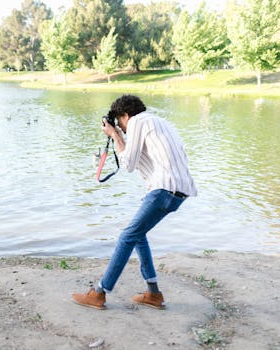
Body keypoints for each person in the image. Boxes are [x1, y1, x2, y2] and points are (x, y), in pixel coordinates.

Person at [72, 94, 197, 310]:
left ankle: (99, 293)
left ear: (125, 115)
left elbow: (128, 164)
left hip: (163, 189)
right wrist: (118, 137)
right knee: (138, 235)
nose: (122, 128)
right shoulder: (160, 123)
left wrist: (115, 135)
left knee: (127, 236)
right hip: (178, 192)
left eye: (120, 122)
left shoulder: (138, 121)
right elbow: (138, 160)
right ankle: (154, 294)